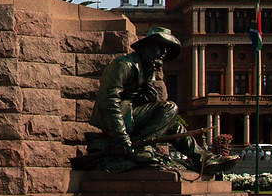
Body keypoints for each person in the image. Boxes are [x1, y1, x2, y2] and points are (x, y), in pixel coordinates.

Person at [88, 27, 238, 174]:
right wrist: (121, 136)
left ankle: (203, 158)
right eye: (160, 47)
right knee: (170, 108)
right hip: (115, 119)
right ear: (146, 47)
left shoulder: (147, 69)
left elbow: (133, 102)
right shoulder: (123, 65)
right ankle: (140, 147)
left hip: (129, 116)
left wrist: (144, 99)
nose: (164, 52)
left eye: (166, 49)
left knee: (175, 127)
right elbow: (109, 101)